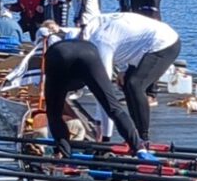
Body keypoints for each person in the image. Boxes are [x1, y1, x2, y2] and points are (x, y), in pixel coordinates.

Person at [26, 26, 142, 156]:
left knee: (54, 113)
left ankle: (64, 152)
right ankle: (138, 147)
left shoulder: (48, 52)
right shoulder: (73, 36)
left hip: (59, 56)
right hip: (89, 52)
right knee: (114, 108)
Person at [85, 8, 183, 143]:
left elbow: (104, 90)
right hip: (144, 43)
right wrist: (123, 69)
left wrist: (104, 135)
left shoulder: (101, 42)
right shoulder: (95, 23)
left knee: (135, 85)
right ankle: (135, 135)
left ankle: (143, 139)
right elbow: (123, 39)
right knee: (127, 84)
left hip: (166, 44)